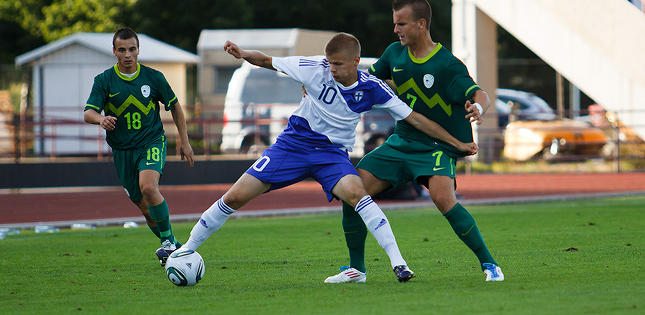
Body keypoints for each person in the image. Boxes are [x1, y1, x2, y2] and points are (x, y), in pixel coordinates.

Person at [177, 33, 477, 283]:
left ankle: (399, 264)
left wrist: (456, 142)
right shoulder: (313, 67)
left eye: (338, 64)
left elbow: (416, 119)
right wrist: (242, 53)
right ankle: (185, 250)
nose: (331, 69)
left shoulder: (373, 88)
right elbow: (267, 61)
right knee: (235, 196)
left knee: (357, 194)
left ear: (356, 62)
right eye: (329, 62)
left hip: (332, 155)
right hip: (292, 145)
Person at [325, 0, 504, 284]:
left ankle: (490, 265)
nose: (396, 30)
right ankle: (356, 269)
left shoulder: (447, 65)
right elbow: (364, 81)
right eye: (395, 24)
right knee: (351, 191)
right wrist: (319, 84)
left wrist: (478, 107)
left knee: (444, 199)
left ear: (421, 24)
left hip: (436, 147)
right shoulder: (394, 54)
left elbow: (480, 94)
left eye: (401, 24)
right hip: (401, 141)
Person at [84, 27, 195, 266]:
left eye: (132, 49)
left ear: (138, 51)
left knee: (148, 187)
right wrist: (100, 119)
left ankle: (166, 244)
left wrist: (184, 141)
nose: (127, 54)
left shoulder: (153, 77)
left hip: (151, 141)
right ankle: (175, 248)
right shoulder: (104, 81)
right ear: (114, 51)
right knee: (145, 210)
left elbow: (175, 106)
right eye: (122, 49)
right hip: (122, 151)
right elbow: (88, 112)